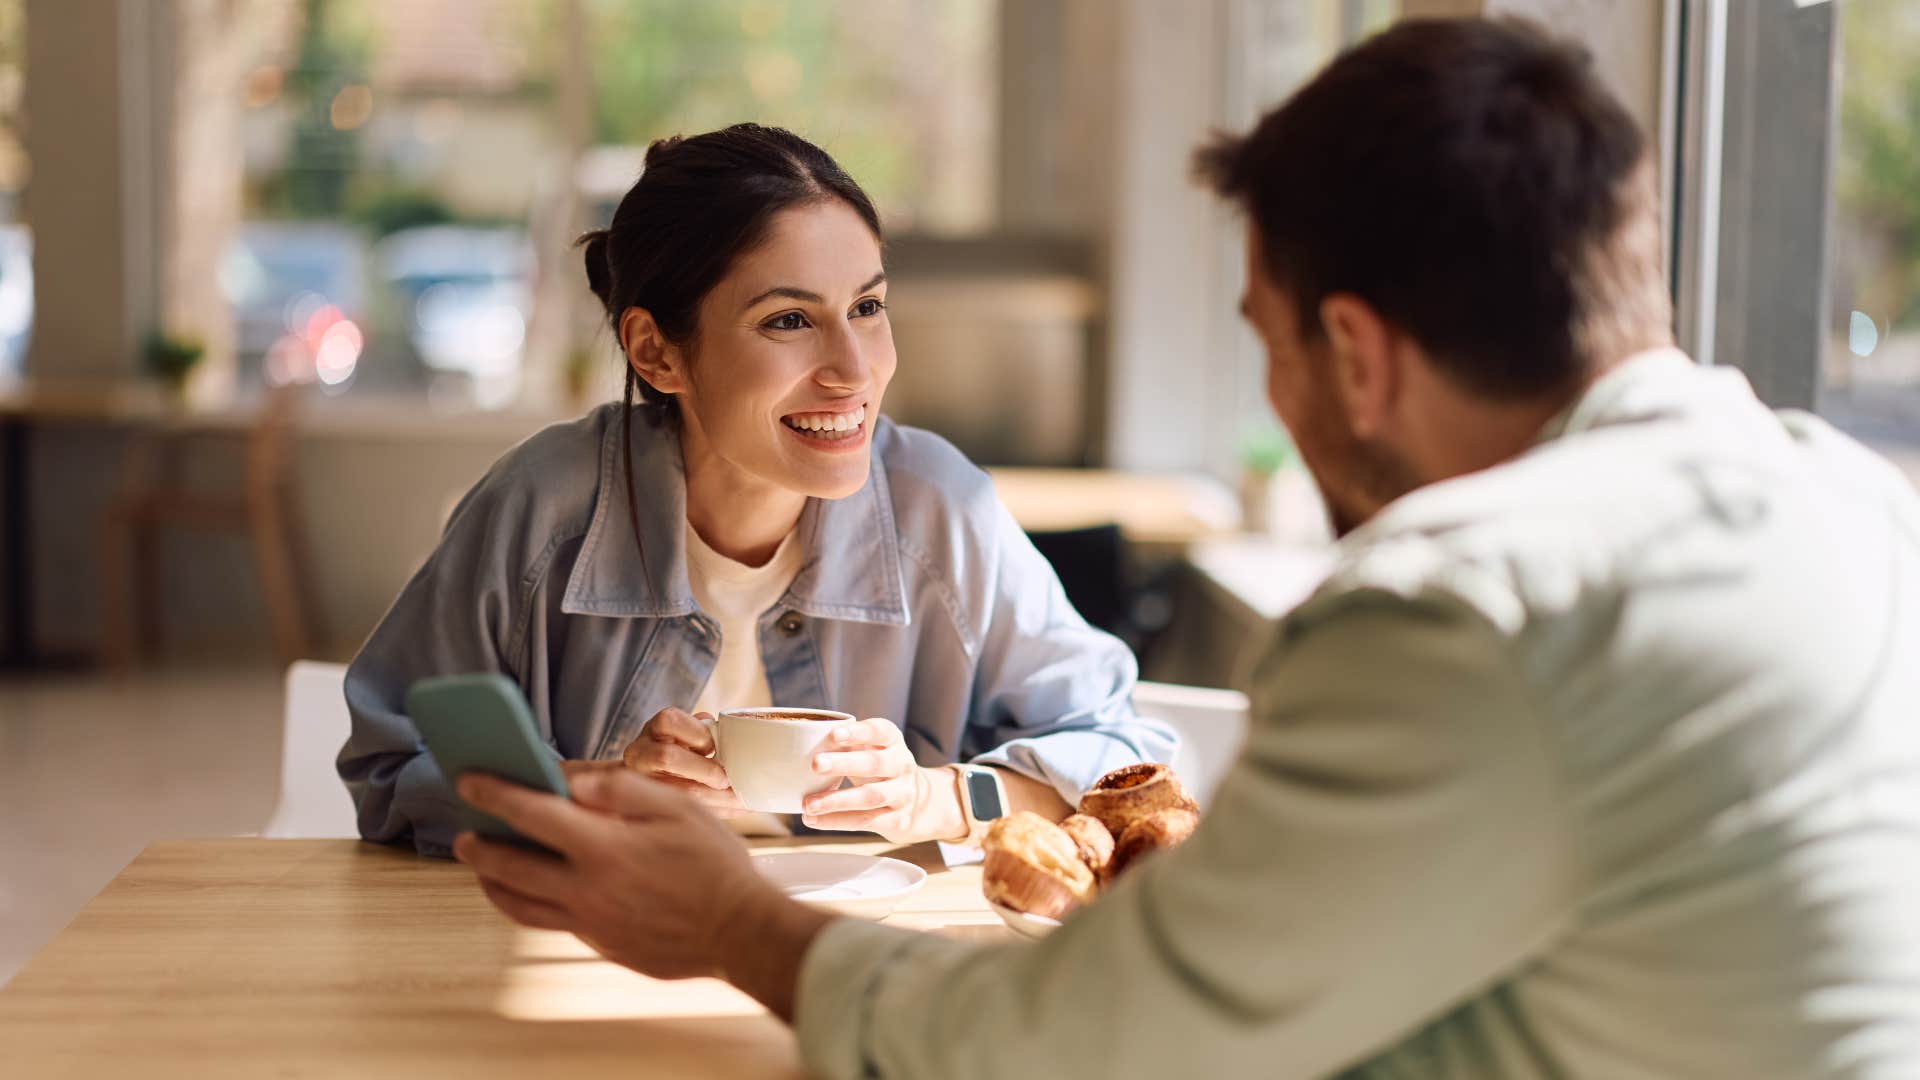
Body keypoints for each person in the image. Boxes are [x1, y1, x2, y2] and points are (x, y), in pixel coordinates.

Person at [451, 18, 1920, 1079]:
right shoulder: (1858, 510)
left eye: (1261, 345)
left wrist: (733, 925)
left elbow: (1082, 1049)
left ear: (1353, 353)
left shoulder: (1462, 615)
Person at [338, 123, 1175, 858]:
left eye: (869, 306)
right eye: (788, 319)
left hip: (852, 958)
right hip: (591, 947)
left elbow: (1127, 757)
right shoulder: (542, 509)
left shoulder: (940, 512)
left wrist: (935, 797)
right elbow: (389, 767)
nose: (855, 369)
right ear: (656, 353)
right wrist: (590, 791)